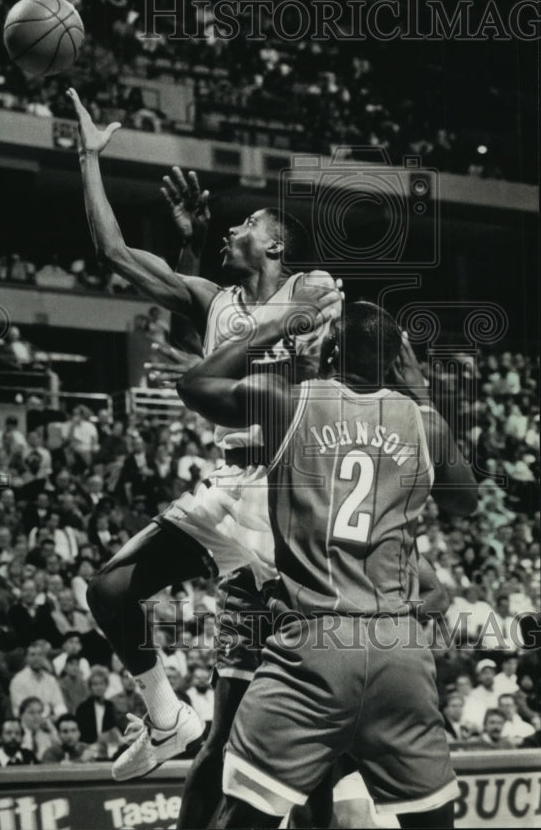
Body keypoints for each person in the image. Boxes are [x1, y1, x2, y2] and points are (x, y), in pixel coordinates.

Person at [68, 89, 341, 777]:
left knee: (289, 740)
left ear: (275, 243)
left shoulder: (312, 288)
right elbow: (114, 251)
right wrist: (89, 158)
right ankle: (165, 718)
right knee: (108, 590)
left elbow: (297, 373)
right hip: (227, 492)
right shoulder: (212, 301)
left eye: (248, 221)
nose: (233, 226)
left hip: (290, 508)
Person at [177, 300, 478, 829]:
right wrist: (422, 393)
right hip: (400, 653)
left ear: (332, 347)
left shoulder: (285, 401)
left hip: (313, 646)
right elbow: (467, 500)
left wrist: (269, 324)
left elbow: (194, 384)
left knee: (242, 818)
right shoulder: (422, 423)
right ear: (395, 362)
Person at [9, 641, 67, 720]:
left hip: (51, 721)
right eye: (32, 655)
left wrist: (60, 717)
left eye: (40, 655)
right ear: (26, 658)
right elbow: (21, 710)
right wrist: (43, 720)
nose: (37, 658)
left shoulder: (50, 679)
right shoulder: (18, 680)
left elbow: (59, 704)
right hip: (28, 722)